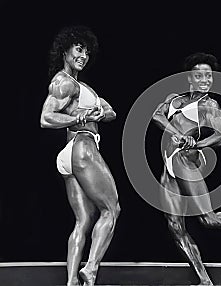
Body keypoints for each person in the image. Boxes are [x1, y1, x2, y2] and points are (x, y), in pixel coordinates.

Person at [152, 52, 221, 285]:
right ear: (190, 78)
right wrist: (179, 135)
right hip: (168, 165)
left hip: (187, 159)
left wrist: (196, 142)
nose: (205, 79)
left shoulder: (209, 104)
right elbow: (156, 116)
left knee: (208, 220)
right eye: (199, 75)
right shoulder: (174, 98)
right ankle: (204, 280)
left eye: (209, 76)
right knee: (175, 227)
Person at [40, 25, 121, 286]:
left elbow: (111, 112)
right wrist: (79, 117)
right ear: (65, 51)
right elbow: (46, 118)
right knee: (111, 209)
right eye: (78, 49)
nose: (83, 55)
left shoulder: (82, 86)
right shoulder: (63, 82)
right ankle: (91, 268)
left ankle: (72, 281)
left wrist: (98, 113)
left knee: (83, 220)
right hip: (82, 146)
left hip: (70, 155)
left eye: (86, 51)